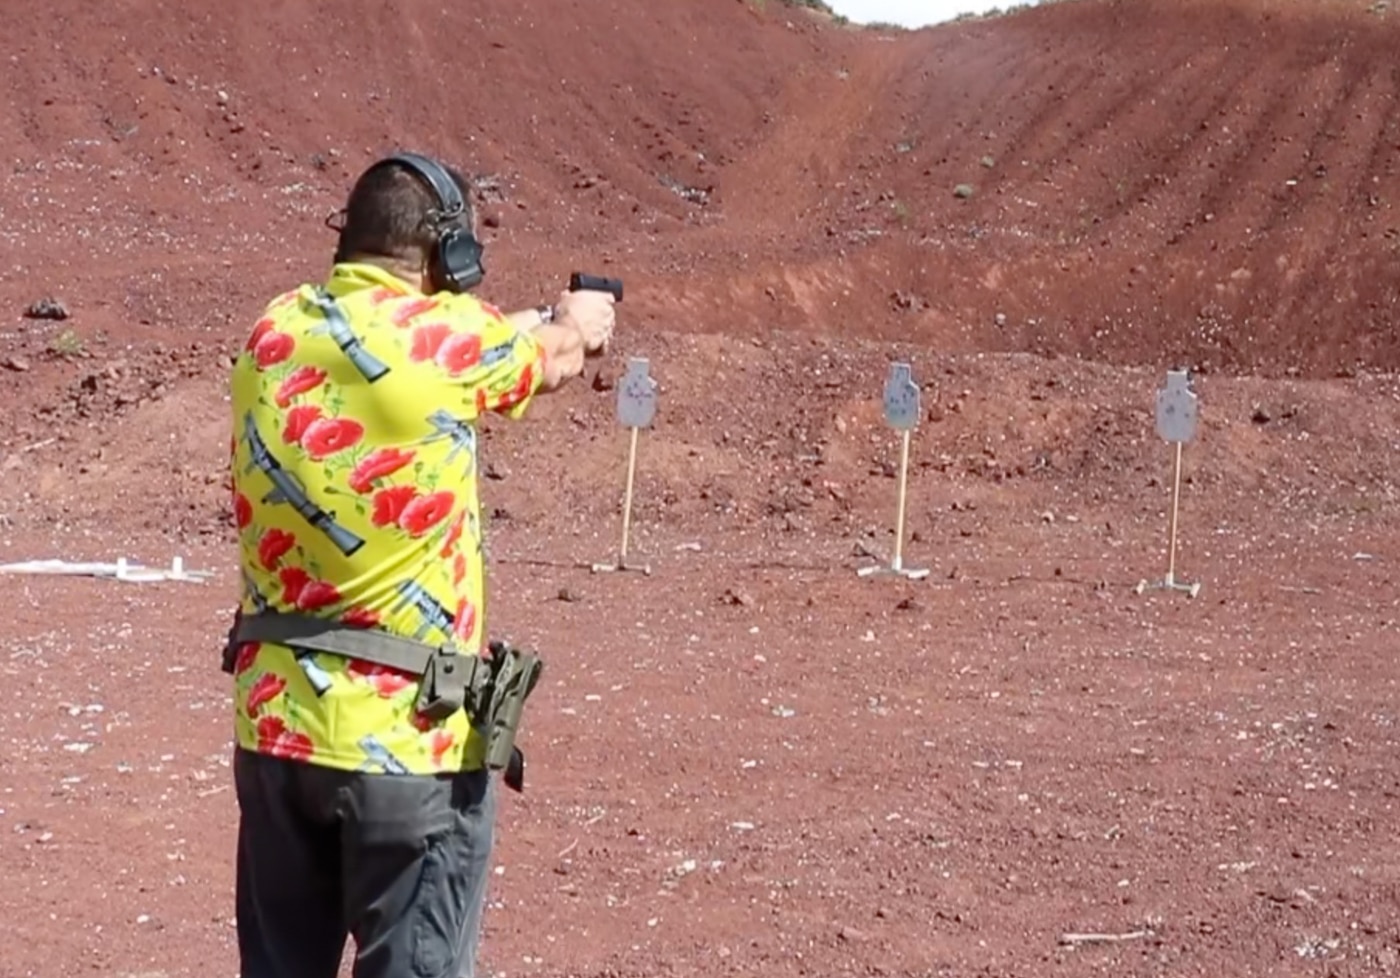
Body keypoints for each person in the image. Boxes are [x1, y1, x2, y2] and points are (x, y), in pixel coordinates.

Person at [221, 150, 615, 978]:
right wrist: (577, 321)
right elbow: (550, 358)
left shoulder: (275, 329)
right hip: (410, 751)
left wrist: (518, 321)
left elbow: (411, 352)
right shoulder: (451, 340)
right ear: (448, 255)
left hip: (276, 737)